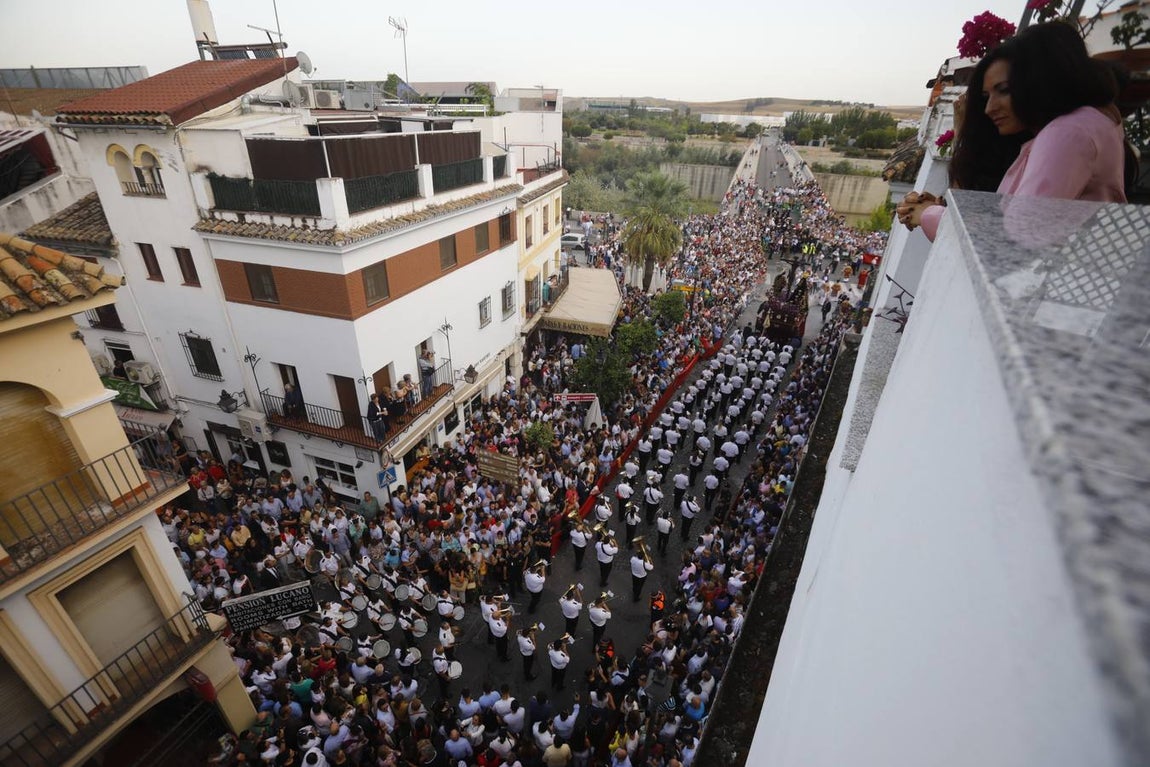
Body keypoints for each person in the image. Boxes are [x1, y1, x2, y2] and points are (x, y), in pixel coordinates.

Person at [899, 21, 1125, 240]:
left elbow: (1008, 238)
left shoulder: (1067, 133)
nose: (989, 108)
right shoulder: (1089, 123)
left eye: (1004, 90)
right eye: (986, 97)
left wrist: (928, 214)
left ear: (1038, 79)